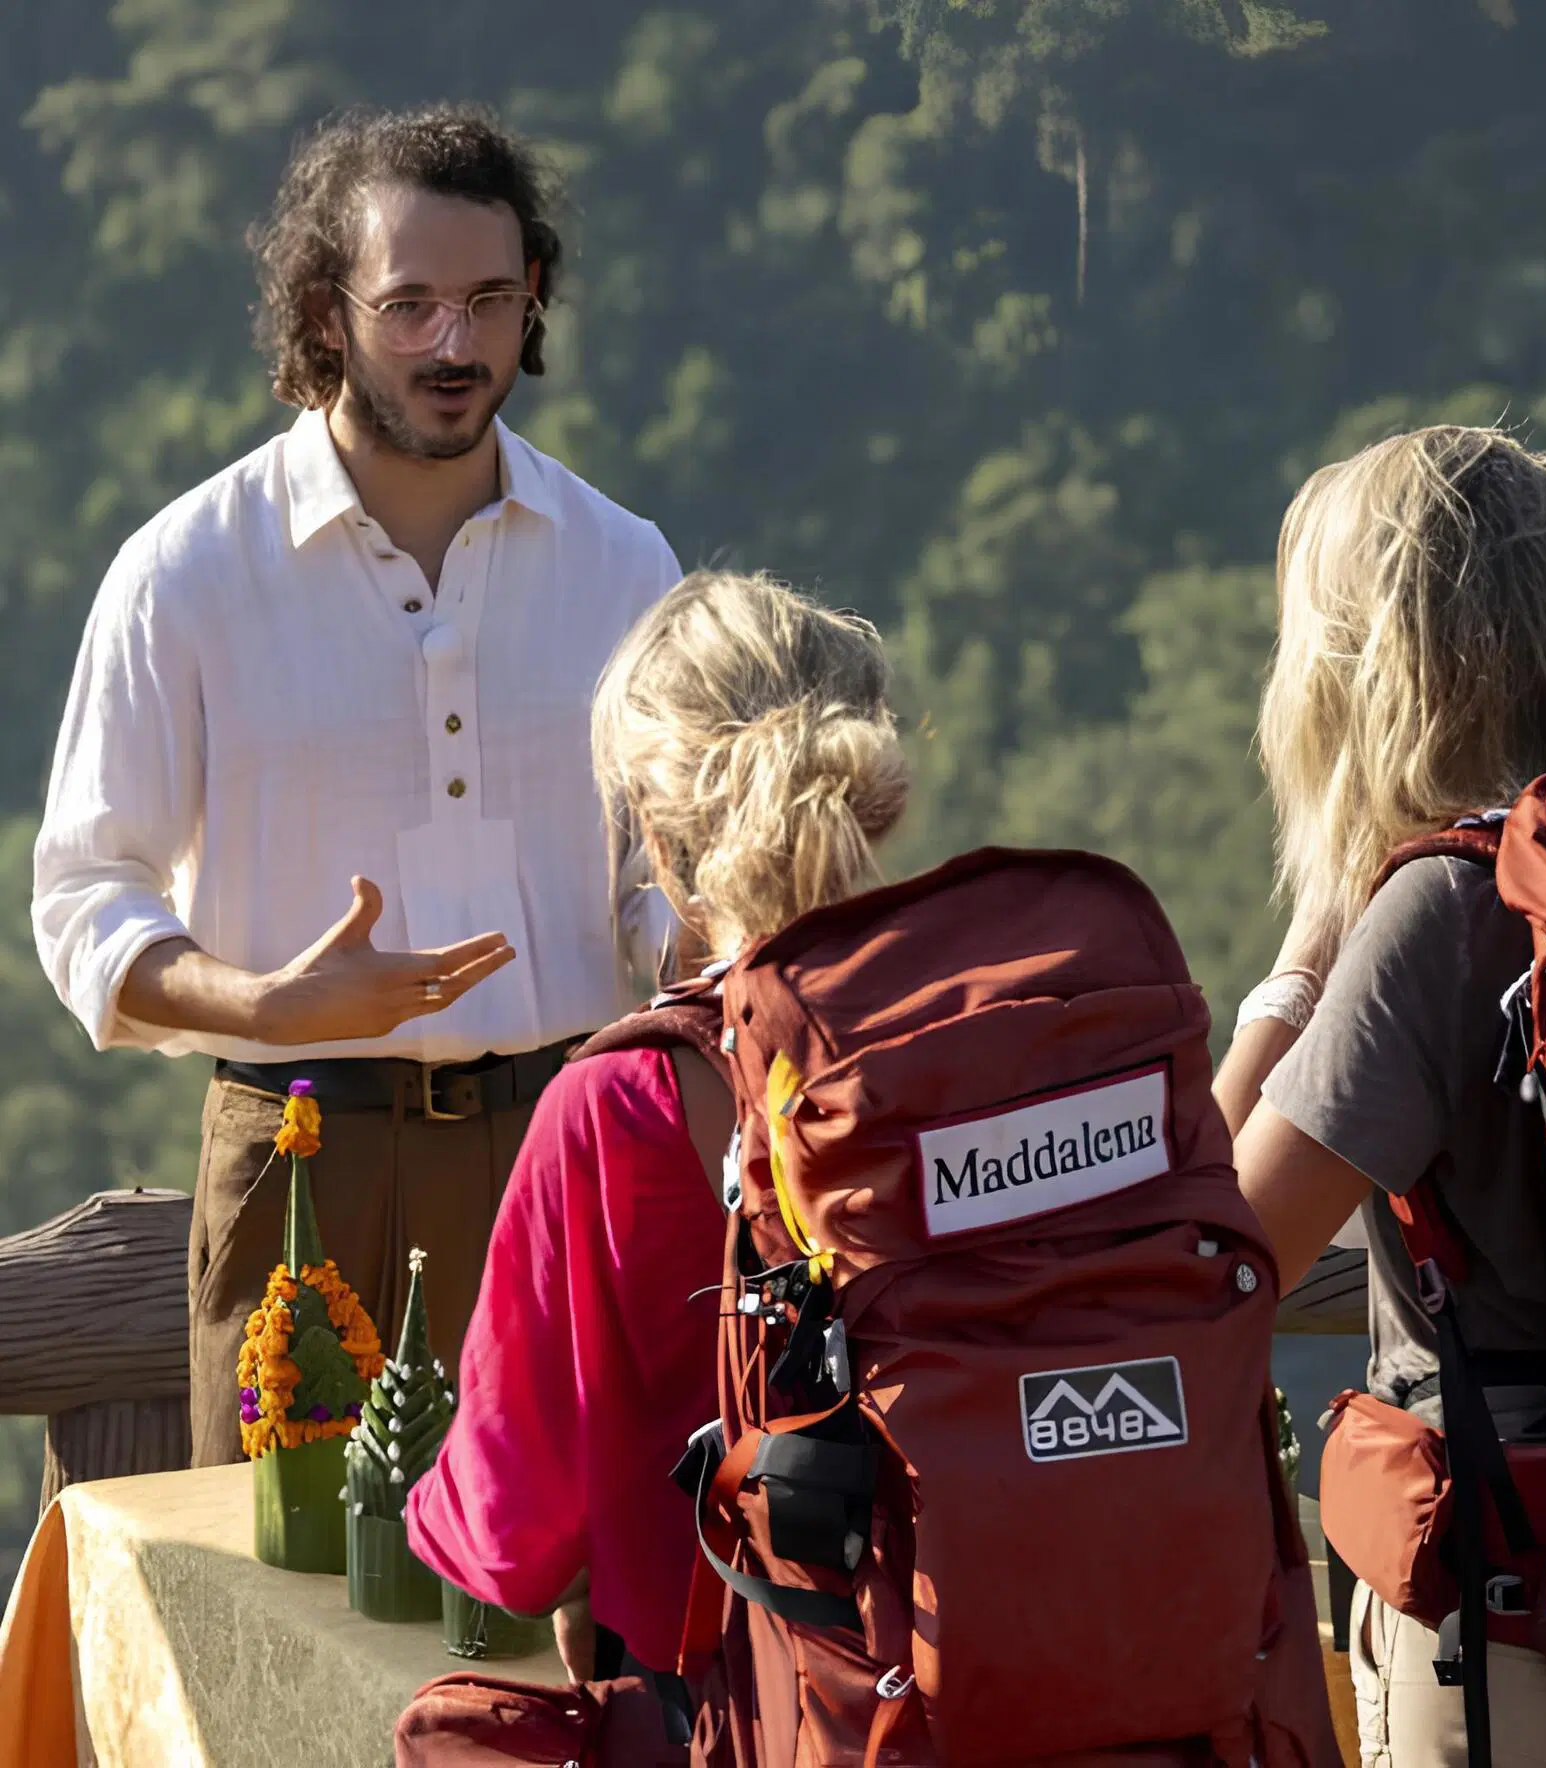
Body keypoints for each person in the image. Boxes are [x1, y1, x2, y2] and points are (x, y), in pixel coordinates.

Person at [31, 104, 681, 1469]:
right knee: (279, 1604)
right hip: (298, 1161)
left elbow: (656, 887)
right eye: (412, 306)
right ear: (327, 315)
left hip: (562, 1152)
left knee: (552, 1619)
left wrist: (735, 930)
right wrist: (261, 1003)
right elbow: (86, 897)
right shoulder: (186, 573)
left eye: (491, 299)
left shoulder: (625, 566)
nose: (456, 344)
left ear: (535, 301)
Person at [1215, 426, 1546, 1767]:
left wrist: (1305, 958)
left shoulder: (1446, 906)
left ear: (1356, 677)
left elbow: (1217, 1253)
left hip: (1533, 1615)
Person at [405, 570, 910, 1687]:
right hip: (987, 1656)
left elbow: (510, 1531)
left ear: (657, 835)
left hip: (725, 1692)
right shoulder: (980, 1034)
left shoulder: (612, 1109)